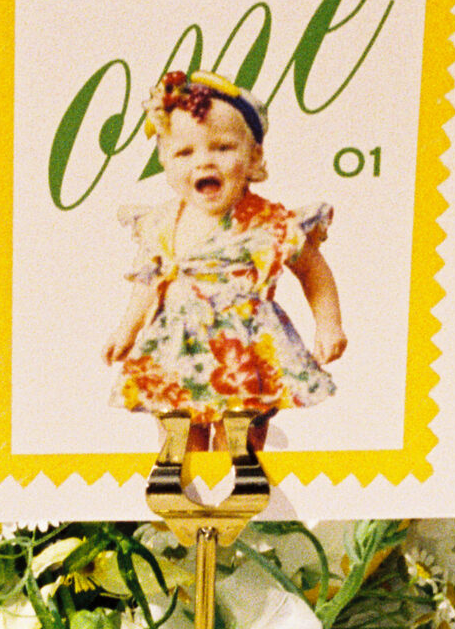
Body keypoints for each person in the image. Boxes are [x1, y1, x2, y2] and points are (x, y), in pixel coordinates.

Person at [104, 69, 346, 434]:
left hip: (245, 347)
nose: (204, 162)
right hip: (178, 349)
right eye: (184, 152)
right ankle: (181, 474)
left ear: (254, 157)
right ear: (165, 164)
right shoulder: (162, 223)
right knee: (179, 424)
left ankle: (246, 474)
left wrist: (329, 325)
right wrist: (127, 328)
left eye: (222, 147)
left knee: (243, 427)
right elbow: (151, 282)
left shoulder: (269, 222)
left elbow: (313, 271)